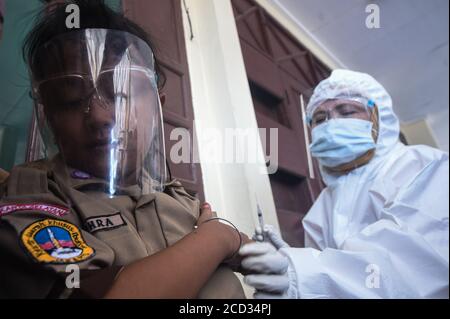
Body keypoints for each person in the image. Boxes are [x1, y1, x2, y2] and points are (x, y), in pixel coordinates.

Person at [0, 0, 249, 299]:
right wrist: (218, 237)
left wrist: (254, 252)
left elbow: (244, 251)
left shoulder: (179, 198)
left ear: (158, 105)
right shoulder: (34, 196)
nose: (101, 116)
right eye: (70, 99)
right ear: (50, 118)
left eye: (121, 93)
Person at [240, 69, 449, 299]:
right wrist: (287, 270)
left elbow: (413, 264)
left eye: (347, 111)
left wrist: (302, 275)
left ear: (379, 117)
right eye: (319, 119)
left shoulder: (424, 165)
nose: (331, 124)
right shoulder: (321, 209)